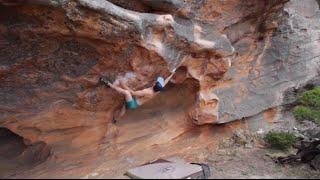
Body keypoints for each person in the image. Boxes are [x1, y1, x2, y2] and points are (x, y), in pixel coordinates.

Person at [100, 70, 176, 123]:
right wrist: (171, 74)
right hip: (134, 103)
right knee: (124, 107)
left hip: (133, 104)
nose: (156, 81)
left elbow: (132, 93)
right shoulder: (157, 90)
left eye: (157, 82)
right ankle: (115, 120)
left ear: (155, 84)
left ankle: (109, 84)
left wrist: (123, 84)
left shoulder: (147, 92)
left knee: (126, 93)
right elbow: (164, 83)